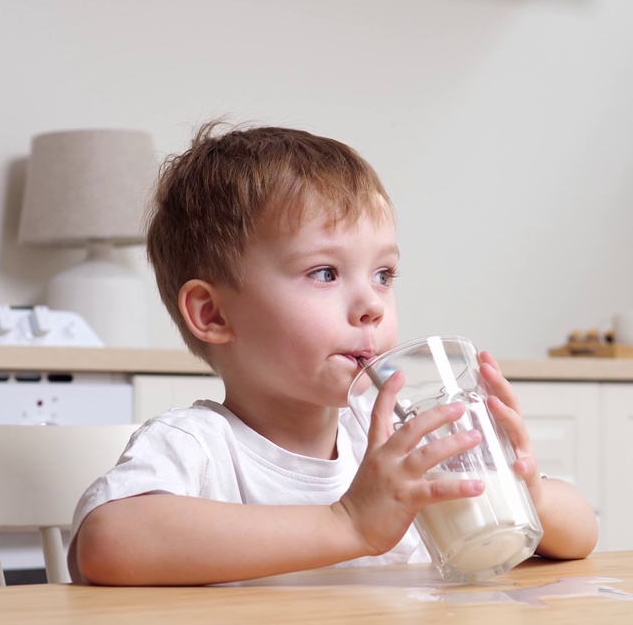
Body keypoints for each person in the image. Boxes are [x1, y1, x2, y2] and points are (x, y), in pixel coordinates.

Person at [69, 121, 598, 586]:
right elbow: (107, 544)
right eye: (324, 273)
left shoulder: (391, 444)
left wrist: (529, 490)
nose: (371, 304)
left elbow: (582, 534)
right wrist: (349, 524)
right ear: (213, 315)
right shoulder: (199, 448)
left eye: (384, 274)